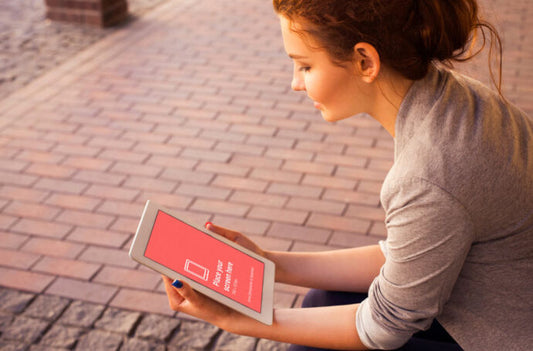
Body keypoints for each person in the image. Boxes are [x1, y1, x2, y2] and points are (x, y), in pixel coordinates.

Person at [161, 0, 533, 350]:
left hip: (500, 336)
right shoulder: (454, 98)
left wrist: (236, 320)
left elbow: (385, 326)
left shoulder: (429, 174)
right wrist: (266, 263)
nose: (296, 83)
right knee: (322, 301)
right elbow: (407, 253)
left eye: (305, 65)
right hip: (492, 306)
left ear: (364, 61)